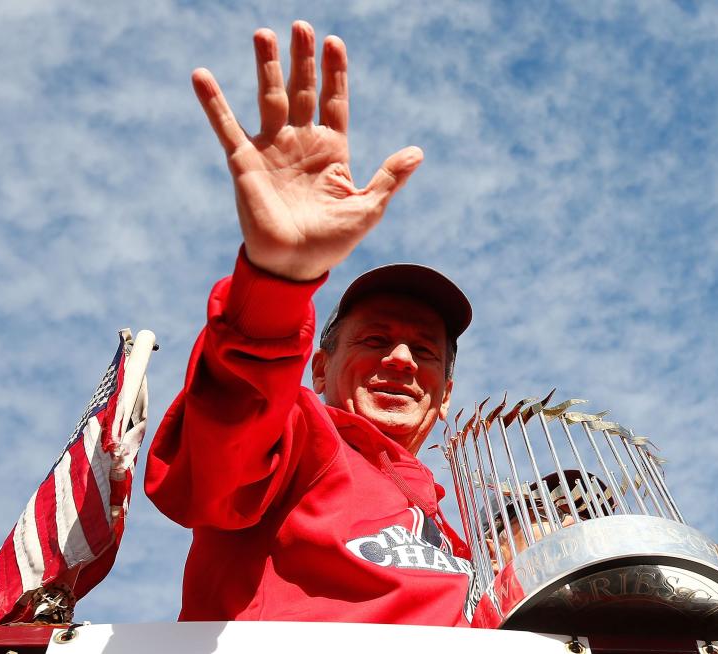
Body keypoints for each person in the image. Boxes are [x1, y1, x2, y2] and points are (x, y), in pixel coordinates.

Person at [144, 21, 477, 626]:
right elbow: (221, 454)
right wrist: (278, 278)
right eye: (375, 340)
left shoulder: (456, 548)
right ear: (321, 366)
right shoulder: (295, 441)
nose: (401, 359)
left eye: (425, 351)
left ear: (445, 395)